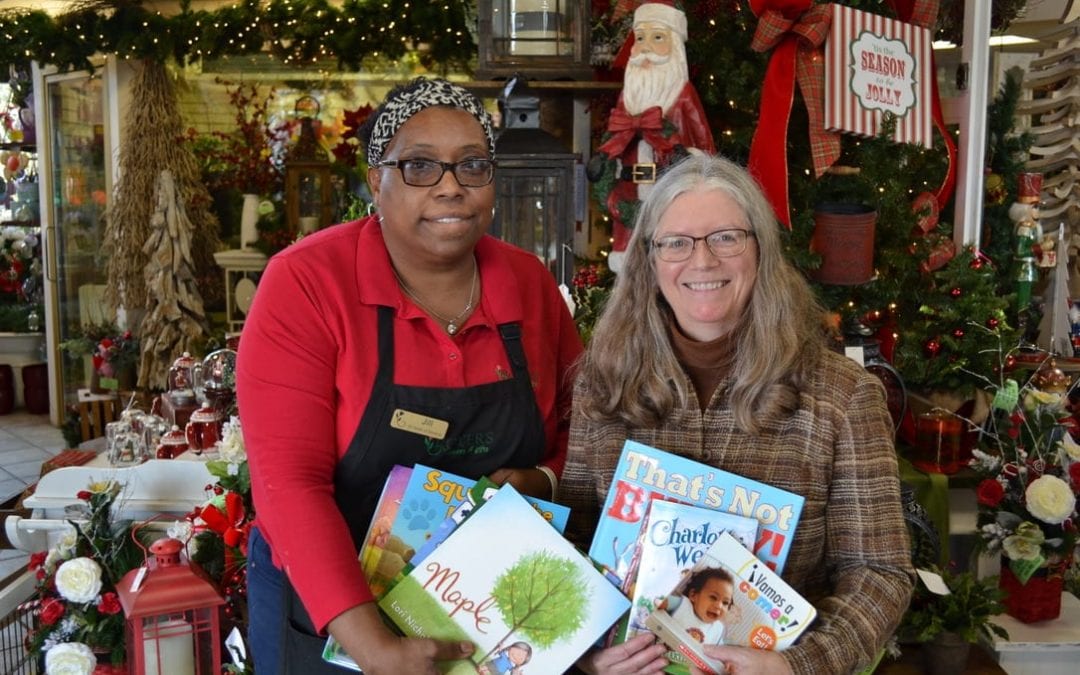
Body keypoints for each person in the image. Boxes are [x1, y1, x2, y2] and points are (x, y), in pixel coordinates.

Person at [236, 77, 583, 675]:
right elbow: (288, 484)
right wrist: (373, 647)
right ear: (377, 180)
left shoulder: (528, 284)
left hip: (488, 606)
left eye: (472, 165)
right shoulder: (308, 282)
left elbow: (586, 428)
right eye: (420, 166)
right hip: (336, 608)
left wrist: (543, 479)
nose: (451, 186)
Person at [562, 151, 914, 675]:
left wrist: (796, 666)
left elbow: (880, 572)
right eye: (676, 242)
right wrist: (590, 654)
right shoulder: (602, 382)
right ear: (648, 262)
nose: (702, 261)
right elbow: (576, 538)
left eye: (725, 237)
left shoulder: (843, 396)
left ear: (761, 251)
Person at [593, 1, 715, 273]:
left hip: (671, 192)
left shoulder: (683, 95)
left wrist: (690, 160)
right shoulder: (629, 95)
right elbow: (615, 138)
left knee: (673, 252)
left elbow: (704, 145)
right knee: (630, 261)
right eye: (640, 39)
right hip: (628, 191)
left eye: (657, 37)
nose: (645, 47)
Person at [663, 567, 734, 645]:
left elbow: (720, 651)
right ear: (693, 595)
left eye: (725, 603)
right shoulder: (682, 604)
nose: (719, 606)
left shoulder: (717, 630)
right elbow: (659, 601)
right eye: (713, 597)